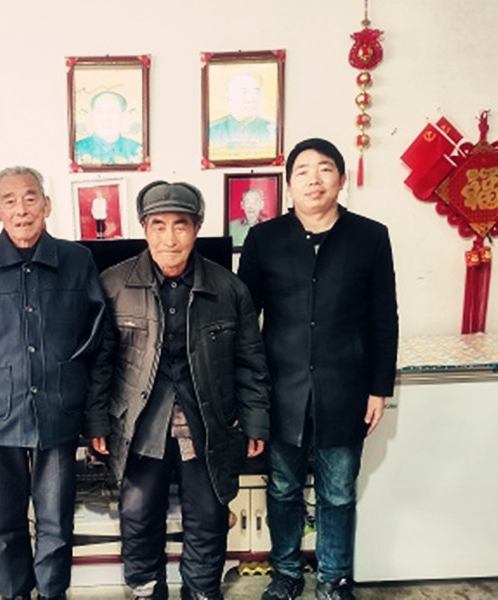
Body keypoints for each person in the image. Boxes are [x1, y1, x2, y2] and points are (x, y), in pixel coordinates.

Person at [86, 180, 271, 600]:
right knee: (137, 514)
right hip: (139, 423)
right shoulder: (113, 284)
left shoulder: (228, 289)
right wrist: (96, 419)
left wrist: (257, 421)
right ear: (144, 228)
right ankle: (146, 590)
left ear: (197, 228)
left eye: (181, 225)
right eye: (158, 225)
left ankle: (202, 591)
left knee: (208, 515)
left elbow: (250, 362)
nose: (169, 238)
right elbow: (100, 363)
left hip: (206, 420)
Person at [237, 138, 399, 600]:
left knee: (339, 492)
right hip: (280, 391)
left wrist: (379, 388)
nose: (314, 179)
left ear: (341, 179)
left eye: (325, 169)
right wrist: (249, 395)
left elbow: (384, 318)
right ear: (289, 185)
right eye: (302, 171)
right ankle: (286, 573)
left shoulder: (370, 237)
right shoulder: (263, 240)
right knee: (283, 489)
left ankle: (333, 577)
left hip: (346, 389)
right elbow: (245, 322)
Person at [0, 166, 106, 600]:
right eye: (10, 200)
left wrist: (84, 402)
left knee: (56, 521)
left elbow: (97, 339)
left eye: (31, 198)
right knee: (5, 523)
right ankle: (15, 593)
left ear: (46, 205)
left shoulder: (77, 261)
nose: (21, 210)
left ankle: (53, 593)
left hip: (58, 411)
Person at [208, 71, 276, 160]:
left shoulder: (272, 130)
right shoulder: (213, 131)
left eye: (256, 92)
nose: (251, 99)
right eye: (244, 92)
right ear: (229, 97)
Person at [76, 90, 143, 165]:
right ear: (93, 115)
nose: (107, 117)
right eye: (100, 111)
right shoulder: (78, 149)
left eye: (113, 111)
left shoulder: (137, 150)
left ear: (123, 115)